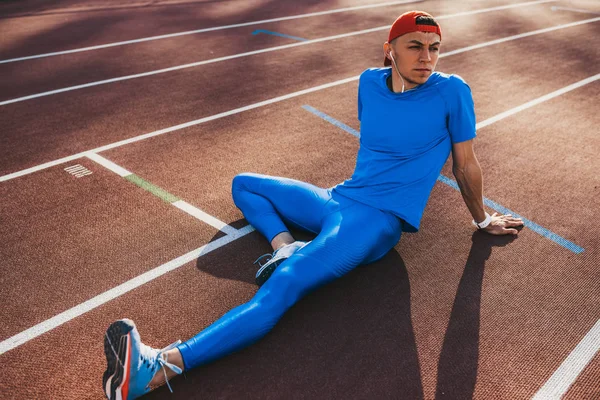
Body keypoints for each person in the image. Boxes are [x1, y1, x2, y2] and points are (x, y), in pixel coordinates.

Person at [102, 11, 524, 399]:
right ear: (389, 50)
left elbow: (465, 166)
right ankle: (285, 244)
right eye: (415, 45)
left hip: (375, 222)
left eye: (434, 48)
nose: (427, 57)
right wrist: (287, 237)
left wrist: (482, 218)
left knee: (282, 286)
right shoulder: (367, 83)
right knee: (245, 185)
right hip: (337, 199)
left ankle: (156, 370)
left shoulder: (452, 92)